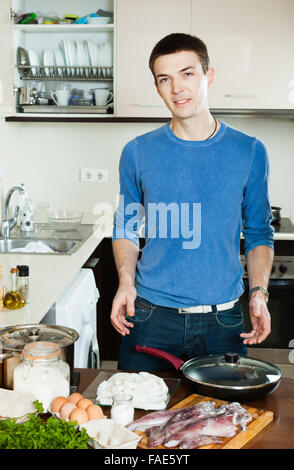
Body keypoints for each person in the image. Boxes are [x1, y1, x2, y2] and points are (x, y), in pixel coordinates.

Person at [110, 33, 274, 372]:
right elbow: (126, 225)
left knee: (225, 421)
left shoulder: (250, 151)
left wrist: (258, 293)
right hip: (150, 316)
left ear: (208, 76)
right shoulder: (137, 152)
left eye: (187, 74)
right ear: (157, 87)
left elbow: (259, 233)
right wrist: (126, 282)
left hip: (223, 322)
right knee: (138, 420)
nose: (176, 88)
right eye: (164, 79)